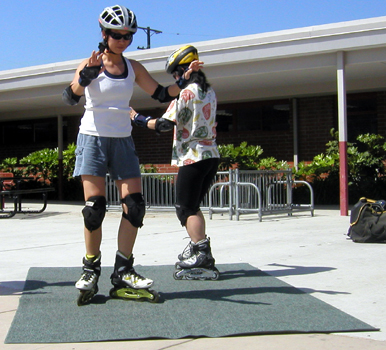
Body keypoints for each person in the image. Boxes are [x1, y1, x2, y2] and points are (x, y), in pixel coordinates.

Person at [62, 5, 203, 305]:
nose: (124, 40)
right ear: (104, 34)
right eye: (118, 35)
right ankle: (91, 268)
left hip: (123, 141)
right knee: (94, 209)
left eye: (128, 35)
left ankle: (123, 270)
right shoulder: (90, 63)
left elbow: (161, 94)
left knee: (135, 206)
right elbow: (70, 96)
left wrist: (185, 80)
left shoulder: (133, 67)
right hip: (93, 139)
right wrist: (85, 76)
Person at [130, 45, 220, 280]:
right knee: (193, 206)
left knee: (185, 208)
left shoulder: (185, 93)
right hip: (211, 155)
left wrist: (136, 118)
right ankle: (199, 250)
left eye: (175, 74)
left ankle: (202, 255)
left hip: (192, 157)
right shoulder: (209, 91)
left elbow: (163, 124)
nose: (175, 79)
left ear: (183, 71)